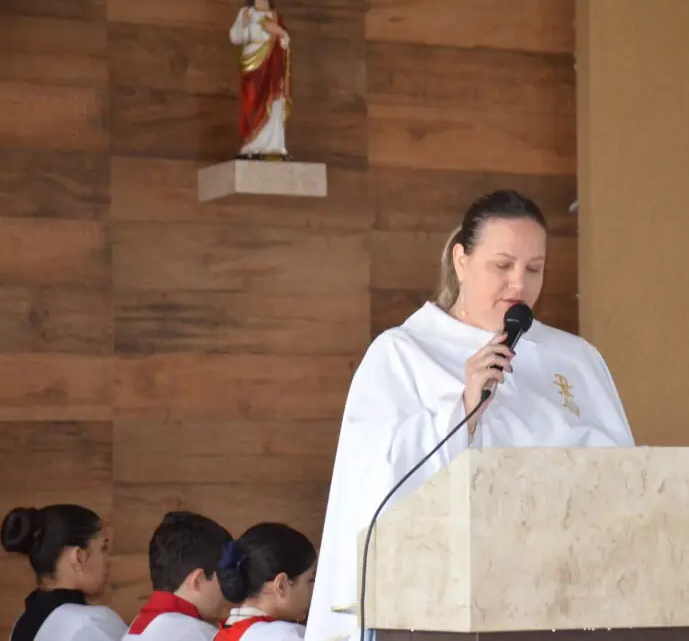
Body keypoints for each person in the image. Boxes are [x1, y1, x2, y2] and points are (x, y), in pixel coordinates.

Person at [303, 189, 636, 641]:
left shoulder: (576, 359)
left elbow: (628, 477)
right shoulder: (402, 354)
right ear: (461, 260)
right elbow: (371, 482)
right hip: (446, 607)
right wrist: (463, 412)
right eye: (502, 265)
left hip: (574, 601)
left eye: (534, 269)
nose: (519, 285)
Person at [2, 504, 127, 641]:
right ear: (79, 557)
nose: (108, 560)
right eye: (103, 548)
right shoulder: (92, 624)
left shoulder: (20, 625)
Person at [124, 511, 233, 640]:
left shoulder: (134, 628)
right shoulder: (199, 634)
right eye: (224, 577)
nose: (229, 589)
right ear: (197, 581)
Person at [212, 523, 316, 641]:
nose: (314, 590)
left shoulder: (221, 635)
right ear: (281, 585)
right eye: (310, 580)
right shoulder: (285, 636)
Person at [228, 0, 291, 160]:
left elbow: (285, 41)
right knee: (252, 101)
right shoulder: (246, 12)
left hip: (273, 65)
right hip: (253, 64)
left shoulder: (275, 16)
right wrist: (244, 24)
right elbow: (235, 37)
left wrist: (281, 33)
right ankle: (251, 144)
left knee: (274, 100)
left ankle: (274, 146)